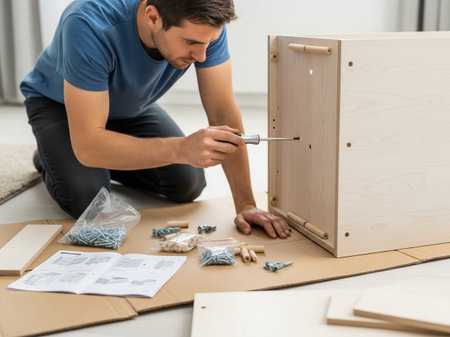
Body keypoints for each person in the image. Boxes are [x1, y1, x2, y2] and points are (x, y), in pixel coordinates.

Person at [20, 0, 291, 239]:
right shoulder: (87, 24)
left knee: (188, 184)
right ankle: (50, 154)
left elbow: (222, 112)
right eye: (191, 43)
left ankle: (103, 154)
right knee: (88, 199)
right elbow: (90, 144)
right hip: (60, 107)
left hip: (130, 107)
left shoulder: (203, 27)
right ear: (152, 17)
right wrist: (180, 148)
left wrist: (246, 204)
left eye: (208, 43)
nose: (202, 55)